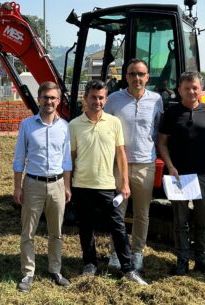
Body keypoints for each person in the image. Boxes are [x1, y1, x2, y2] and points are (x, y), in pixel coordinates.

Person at [69, 79, 148, 285]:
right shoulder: (74, 125)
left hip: (107, 185)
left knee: (118, 227)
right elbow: (72, 157)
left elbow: (120, 154)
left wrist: (124, 183)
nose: (97, 101)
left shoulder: (114, 123)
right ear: (85, 99)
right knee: (86, 227)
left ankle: (128, 268)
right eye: (93, 97)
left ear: (106, 99)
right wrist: (67, 184)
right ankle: (90, 264)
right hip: (82, 185)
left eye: (101, 97)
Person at [156, 71, 205, 277]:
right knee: (180, 221)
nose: (191, 91)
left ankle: (202, 261)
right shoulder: (171, 113)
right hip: (180, 177)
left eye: (195, 87)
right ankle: (182, 260)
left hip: (204, 174)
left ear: (201, 89)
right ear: (179, 90)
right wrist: (170, 166)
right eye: (187, 88)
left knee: (203, 221)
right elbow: (162, 142)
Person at [12, 81, 72, 292]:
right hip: (33, 184)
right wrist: (17, 187)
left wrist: (66, 186)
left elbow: (66, 161)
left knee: (56, 232)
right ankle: (28, 273)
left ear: (58, 100)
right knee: (28, 232)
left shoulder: (65, 126)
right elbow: (19, 158)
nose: (49, 101)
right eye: (45, 97)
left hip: (56, 185)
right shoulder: (27, 125)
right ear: (39, 99)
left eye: (53, 98)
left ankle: (55, 269)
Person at [104, 58, 164, 271]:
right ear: (125, 76)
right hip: (119, 165)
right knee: (117, 212)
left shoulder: (157, 100)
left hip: (145, 165)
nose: (136, 78)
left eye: (141, 74)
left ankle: (137, 252)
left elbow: (156, 131)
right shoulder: (113, 100)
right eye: (132, 74)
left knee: (142, 213)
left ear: (147, 77)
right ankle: (116, 252)